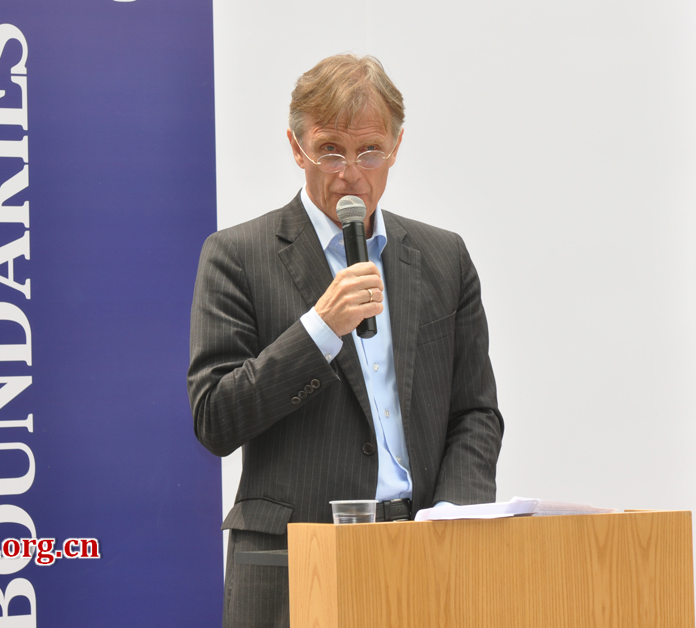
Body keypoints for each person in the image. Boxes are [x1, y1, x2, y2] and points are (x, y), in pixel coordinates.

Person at [187, 53, 503, 628]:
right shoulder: (236, 256)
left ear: (396, 149)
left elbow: (476, 412)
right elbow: (215, 418)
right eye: (329, 148)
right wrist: (318, 328)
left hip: (423, 557)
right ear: (295, 146)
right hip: (293, 567)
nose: (348, 172)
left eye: (369, 151)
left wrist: (454, 521)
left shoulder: (443, 258)